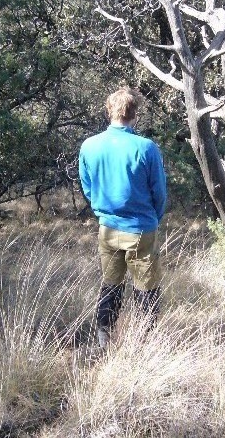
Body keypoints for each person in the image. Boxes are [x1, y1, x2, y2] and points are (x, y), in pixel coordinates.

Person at [78, 87, 167, 348]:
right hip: (141, 228)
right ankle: (144, 342)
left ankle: (104, 339)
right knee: (146, 288)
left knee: (111, 285)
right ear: (134, 114)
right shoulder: (146, 148)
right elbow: (159, 192)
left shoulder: (90, 145)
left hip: (108, 227)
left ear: (109, 111)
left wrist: (101, 211)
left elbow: (87, 187)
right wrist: (153, 218)